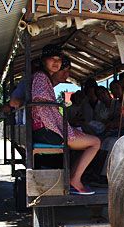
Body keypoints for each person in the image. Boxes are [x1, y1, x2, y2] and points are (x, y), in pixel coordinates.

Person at [32, 44, 101, 195]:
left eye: (59, 59)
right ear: (44, 60)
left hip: (48, 128)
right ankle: (75, 179)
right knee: (95, 142)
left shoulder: (44, 78)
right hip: (49, 130)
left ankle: (73, 177)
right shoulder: (40, 77)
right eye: (52, 59)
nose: (56, 62)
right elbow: (39, 98)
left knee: (85, 138)